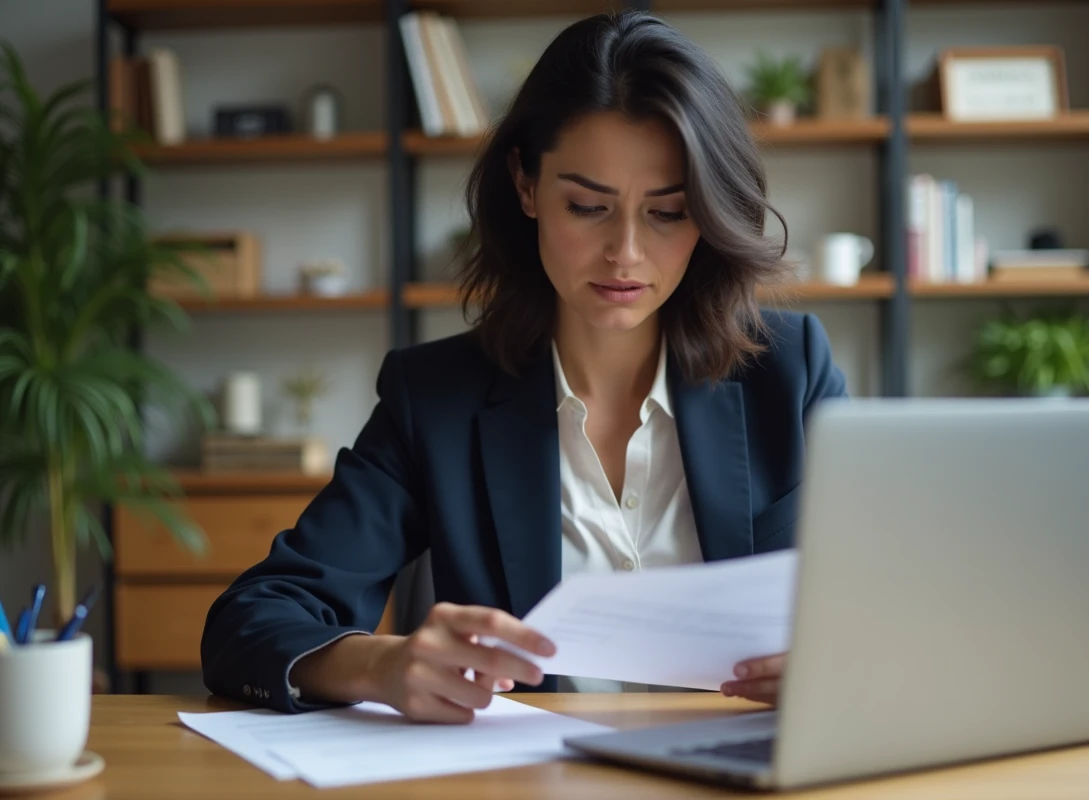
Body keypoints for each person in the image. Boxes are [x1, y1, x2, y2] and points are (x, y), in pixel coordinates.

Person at [200, 10, 847, 723]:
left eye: (667, 212)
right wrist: (381, 664)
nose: (625, 252)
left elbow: (902, 603)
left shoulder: (790, 373)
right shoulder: (435, 401)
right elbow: (251, 620)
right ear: (527, 186)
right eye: (588, 206)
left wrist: (849, 657)